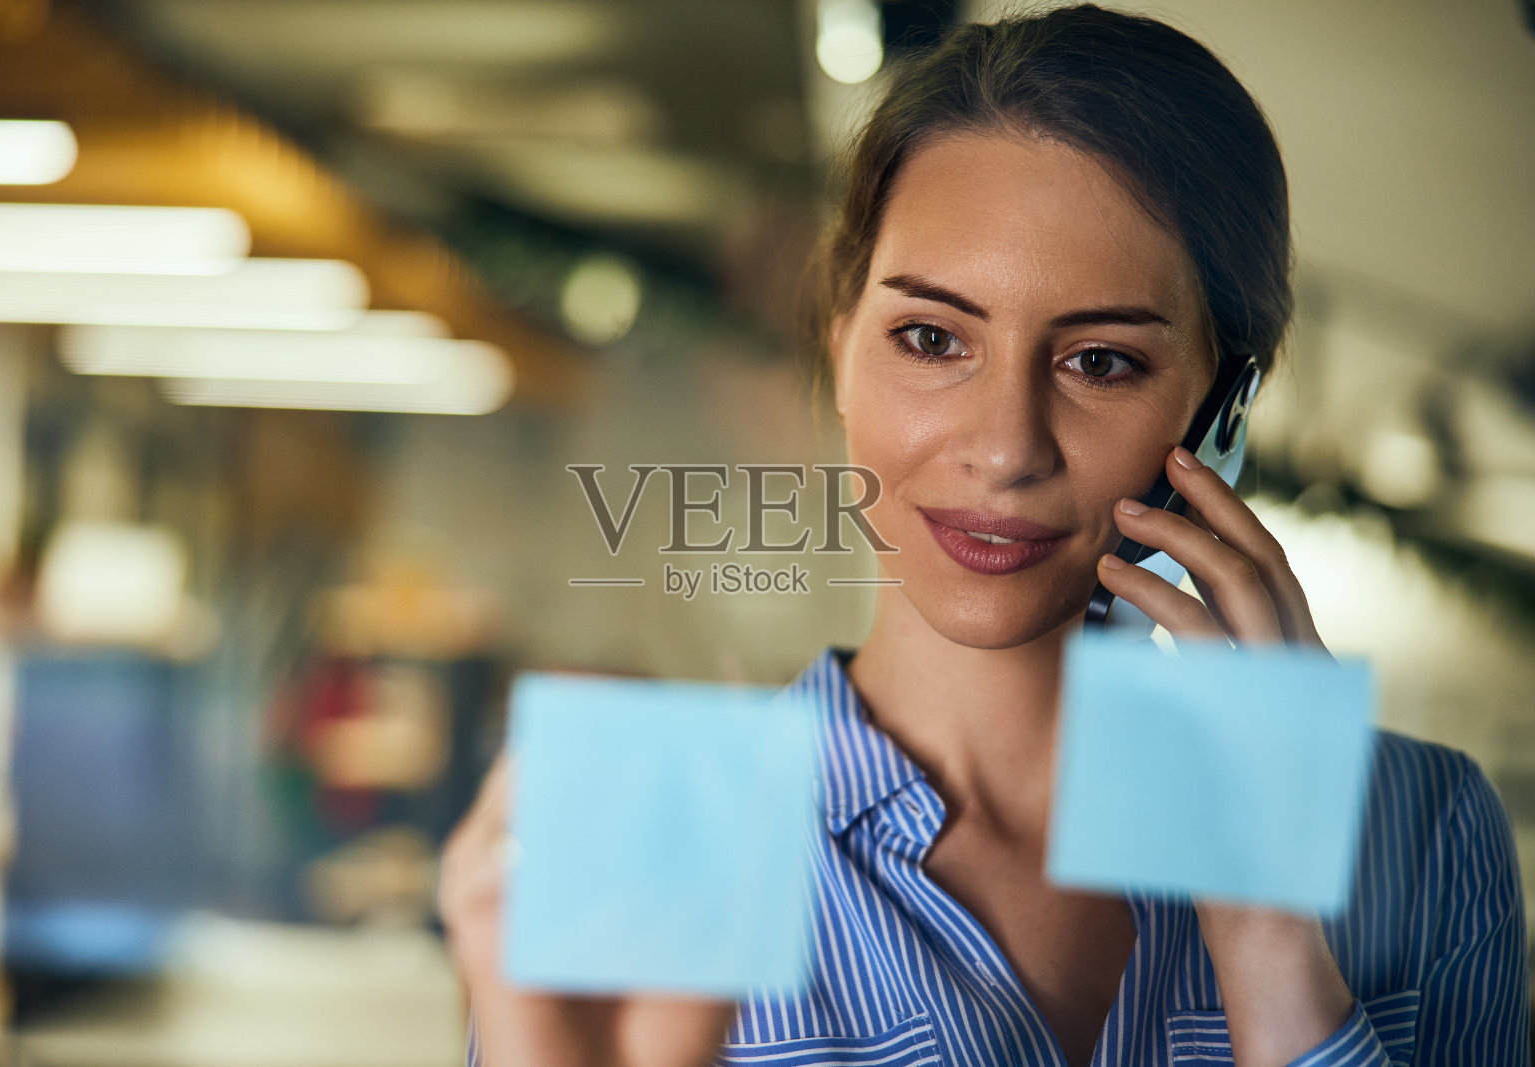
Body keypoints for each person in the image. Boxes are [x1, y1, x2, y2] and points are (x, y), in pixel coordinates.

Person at [437, 6, 1529, 1065]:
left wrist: (1272, 946)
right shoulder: (646, 849)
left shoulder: (1418, 832)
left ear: (1223, 410)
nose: (1005, 447)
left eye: (1099, 360)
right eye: (929, 337)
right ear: (841, 358)